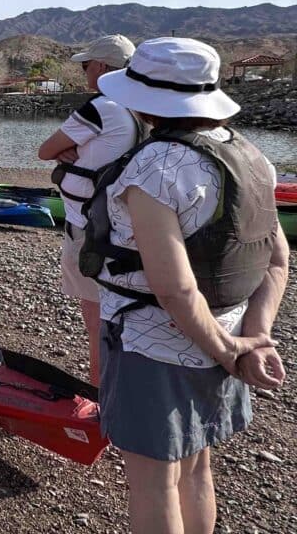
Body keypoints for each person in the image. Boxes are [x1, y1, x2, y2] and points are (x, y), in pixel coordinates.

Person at [86, 38, 287, 533]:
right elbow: (276, 258)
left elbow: (174, 289)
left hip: (153, 342)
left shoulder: (154, 168)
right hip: (228, 329)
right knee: (197, 465)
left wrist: (231, 352)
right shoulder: (252, 156)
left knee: (154, 481)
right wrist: (249, 337)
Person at [38, 34, 138, 386]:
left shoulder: (100, 107)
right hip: (126, 226)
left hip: (89, 228)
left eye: (85, 66)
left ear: (100, 67)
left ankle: (100, 393)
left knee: (95, 315)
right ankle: (118, 385)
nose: (84, 73)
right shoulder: (140, 110)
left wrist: (75, 154)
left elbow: (46, 150)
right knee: (122, 313)